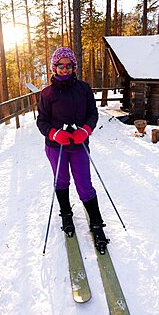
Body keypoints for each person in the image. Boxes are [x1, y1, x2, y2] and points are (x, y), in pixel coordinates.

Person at [37, 47, 109, 253]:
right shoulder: (47, 94)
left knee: (84, 185)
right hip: (56, 147)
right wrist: (54, 133)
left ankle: (97, 224)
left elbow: (92, 114)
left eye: (69, 65)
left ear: (74, 67)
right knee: (61, 181)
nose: (65, 69)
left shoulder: (84, 89)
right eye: (61, 66)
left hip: (79, 146)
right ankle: (66, 214)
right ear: (54, 67)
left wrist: (86, 130)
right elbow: (41, 121)